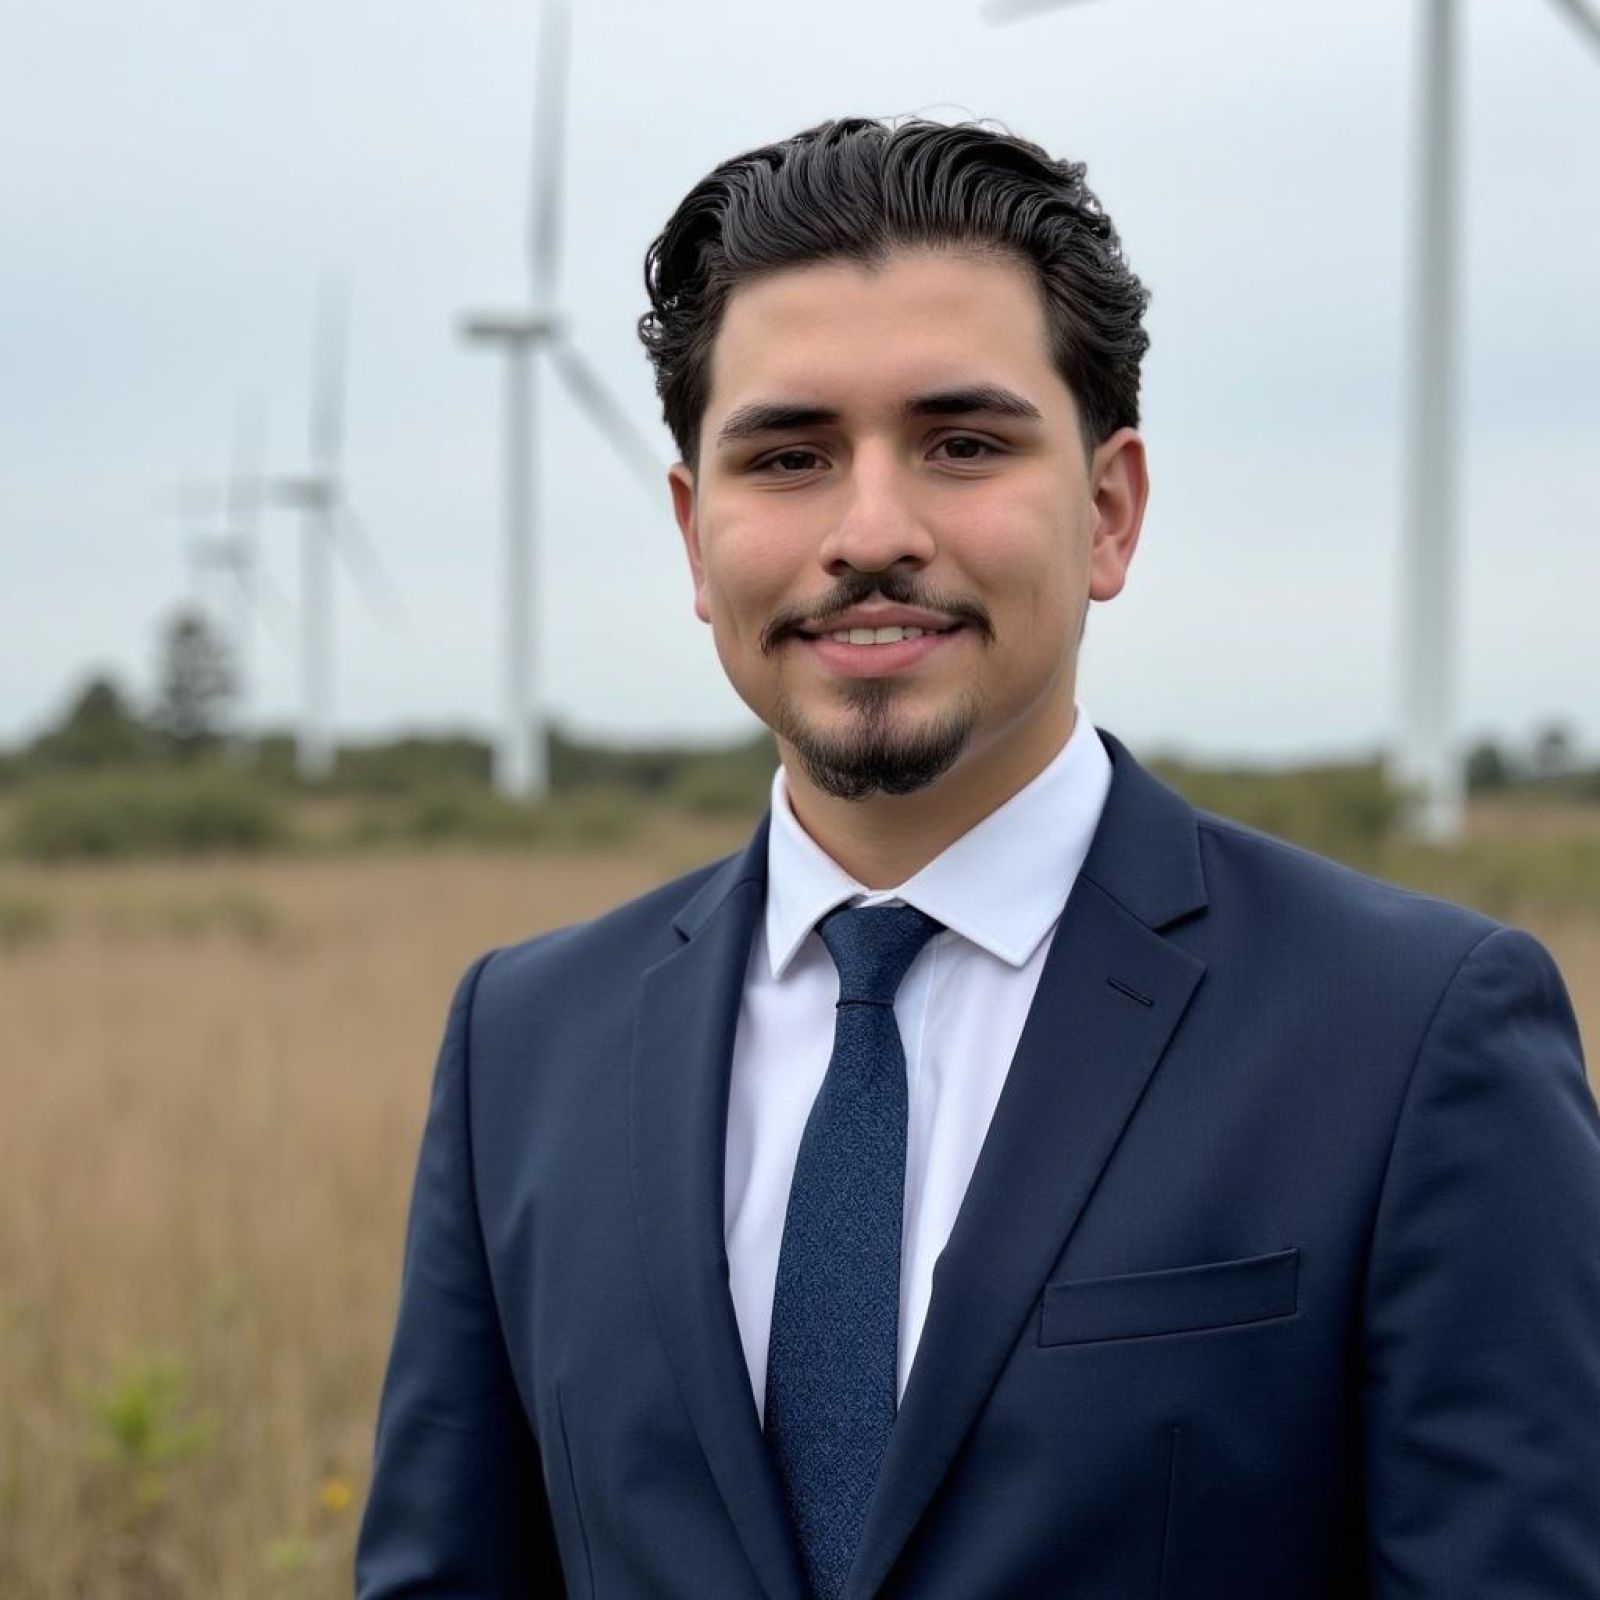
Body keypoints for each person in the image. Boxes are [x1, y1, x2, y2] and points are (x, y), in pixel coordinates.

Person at [355, 118, 1600, 1598]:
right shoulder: (524, 1046)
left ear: (1109, 510)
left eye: (961, 443)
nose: (871, 530)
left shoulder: (1409, 1037)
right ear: (695, 536)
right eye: (790, 455)